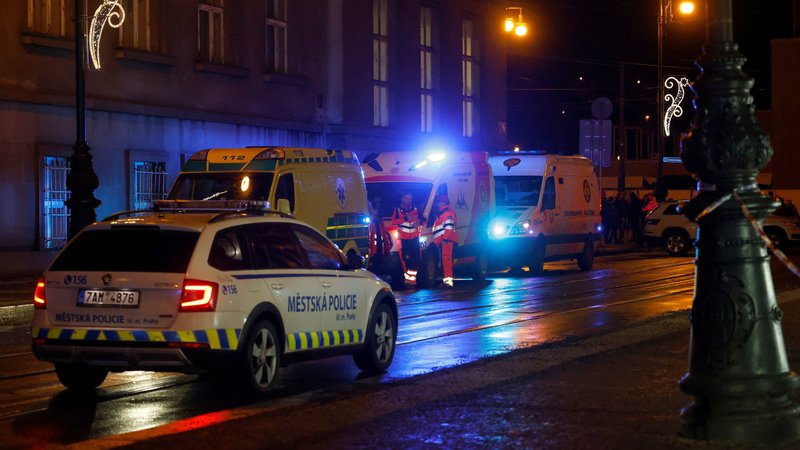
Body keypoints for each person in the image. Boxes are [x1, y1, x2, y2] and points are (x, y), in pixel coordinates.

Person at [391, 193, 425, 287]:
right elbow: (394, 221)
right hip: (403, 239)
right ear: (402, 199)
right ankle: (409, 281)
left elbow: (424, 220)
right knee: (406, 260)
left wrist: (419, 223)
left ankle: (411, 281)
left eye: (410, 199)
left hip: (414, 238)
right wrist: (405, 218)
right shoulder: (397, 210)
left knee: (416, 259)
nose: (408, 200)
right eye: (406, 198)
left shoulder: (416, 209)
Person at [432, 195, 458, 288]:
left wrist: (445, 239)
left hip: (447, 241)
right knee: (445, 261)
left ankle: (448, 282)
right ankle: (446, 281)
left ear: (443, 203)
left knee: (446, 261)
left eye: (439, 202)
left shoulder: (446, 213)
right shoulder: (443, 212)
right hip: (445, 241)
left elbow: (449, 227)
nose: (437, 204)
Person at [366, 200, 392, 273]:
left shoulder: (379, 220)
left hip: (379, 247)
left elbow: (383, 232)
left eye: (376, 210)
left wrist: (387, 245)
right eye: (374, 210)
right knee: (374, 265)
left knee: (378, 264)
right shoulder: (370, 220)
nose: (376, 211)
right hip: (373, 248)